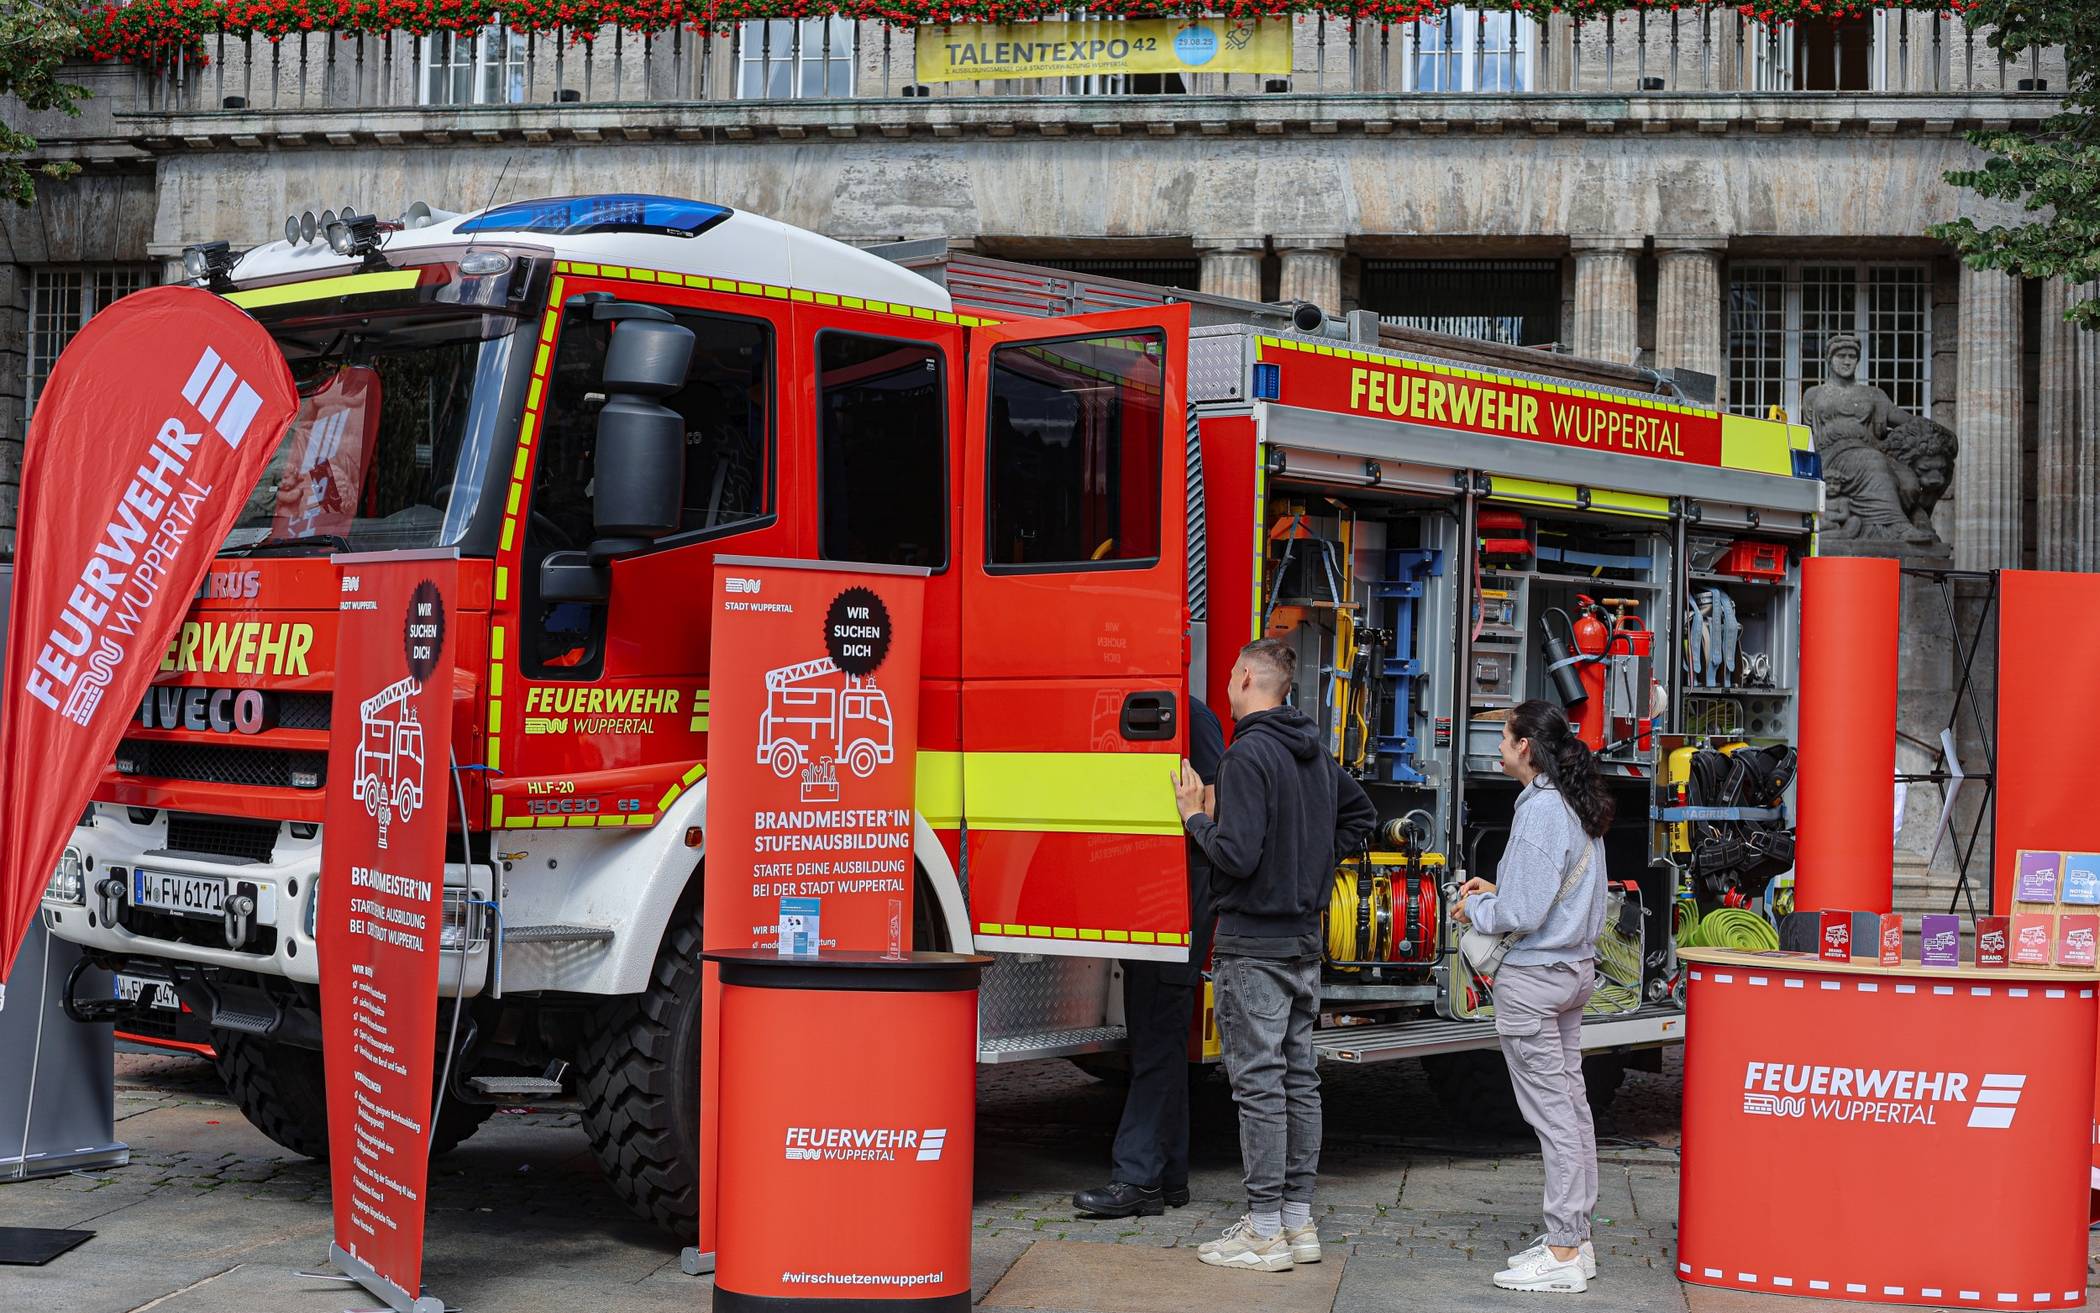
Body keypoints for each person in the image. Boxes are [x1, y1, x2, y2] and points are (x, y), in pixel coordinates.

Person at [1172, 639, 1375, 1273]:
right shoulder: (1312, 752)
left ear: (1242, 679)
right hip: (1302, 944)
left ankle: (1263, 1231)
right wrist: (1312, 864)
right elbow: (1361, 814)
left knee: (1258, 1086)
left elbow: (1235, 855)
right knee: (1298, 1080)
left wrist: (1194, 817)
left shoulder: (1244, 756)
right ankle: (1298, 1222)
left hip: (1252, 944)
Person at [1454, 699, 1612, 1294]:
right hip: (1572, 972)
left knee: (1552, 1116)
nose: (1497, 746)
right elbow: (1563, 889)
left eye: (1503, 736)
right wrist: (1500, 889)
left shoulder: (1541, 809)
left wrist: (1474, 905)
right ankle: (1577, 1240)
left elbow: (1521, 911)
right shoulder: (1573, 800)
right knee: (1571, 1108)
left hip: (1535, 981)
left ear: (1526, 746)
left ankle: (1565, 1250)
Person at [1073, 696, 1225, 1220]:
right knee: (1156, 1039)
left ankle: (1136, 1178)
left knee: (1157, 1040)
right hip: (1155, 901)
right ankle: (1169, 1176)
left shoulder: (1190, 718)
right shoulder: (1177, 715)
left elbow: (1208, 808)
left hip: (1173, 901)